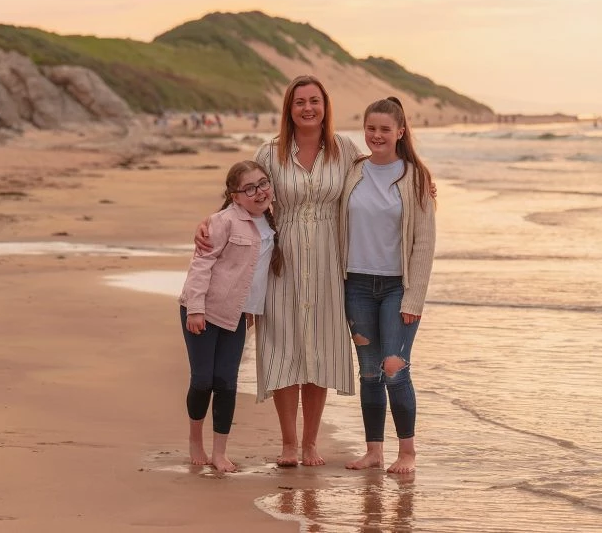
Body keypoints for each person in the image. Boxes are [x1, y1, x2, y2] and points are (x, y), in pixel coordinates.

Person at [196, 75, 363, 467]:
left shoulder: (347, 150)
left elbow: (378, 183)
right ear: (289, 109)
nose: (308, 108)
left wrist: (421, 183)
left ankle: (310, 444)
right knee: (284, 347)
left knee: (318, 350)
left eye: (314, 101)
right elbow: (240, 198)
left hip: (328, 261)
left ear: (325, 106)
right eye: (299, 102)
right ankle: (288, 443)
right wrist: (208, 223)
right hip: (278, 260)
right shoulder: (270, 153)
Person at [339, 97, 436, 474]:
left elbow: (424, 244)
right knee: (368, 372)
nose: (376, 135)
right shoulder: (354, 171)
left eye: (384, 129)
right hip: (358, 285)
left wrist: (414, 297)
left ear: (400, 132)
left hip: (398, 287)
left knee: (395, 367)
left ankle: (407, 453)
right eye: (370, 128)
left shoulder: (415, 177)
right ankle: (374, 451)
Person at [179, 160, 282, 472]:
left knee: (226, 382)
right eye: (249, 189)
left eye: (263, 183)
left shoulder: (273, 220)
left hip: (236, 316)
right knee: (203, 380)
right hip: (203, 309)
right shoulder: (223, 222)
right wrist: (196, 309)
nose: (259, 192)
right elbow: (201, 263)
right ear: (235, 196)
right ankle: (195, 441)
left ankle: (220, 451)